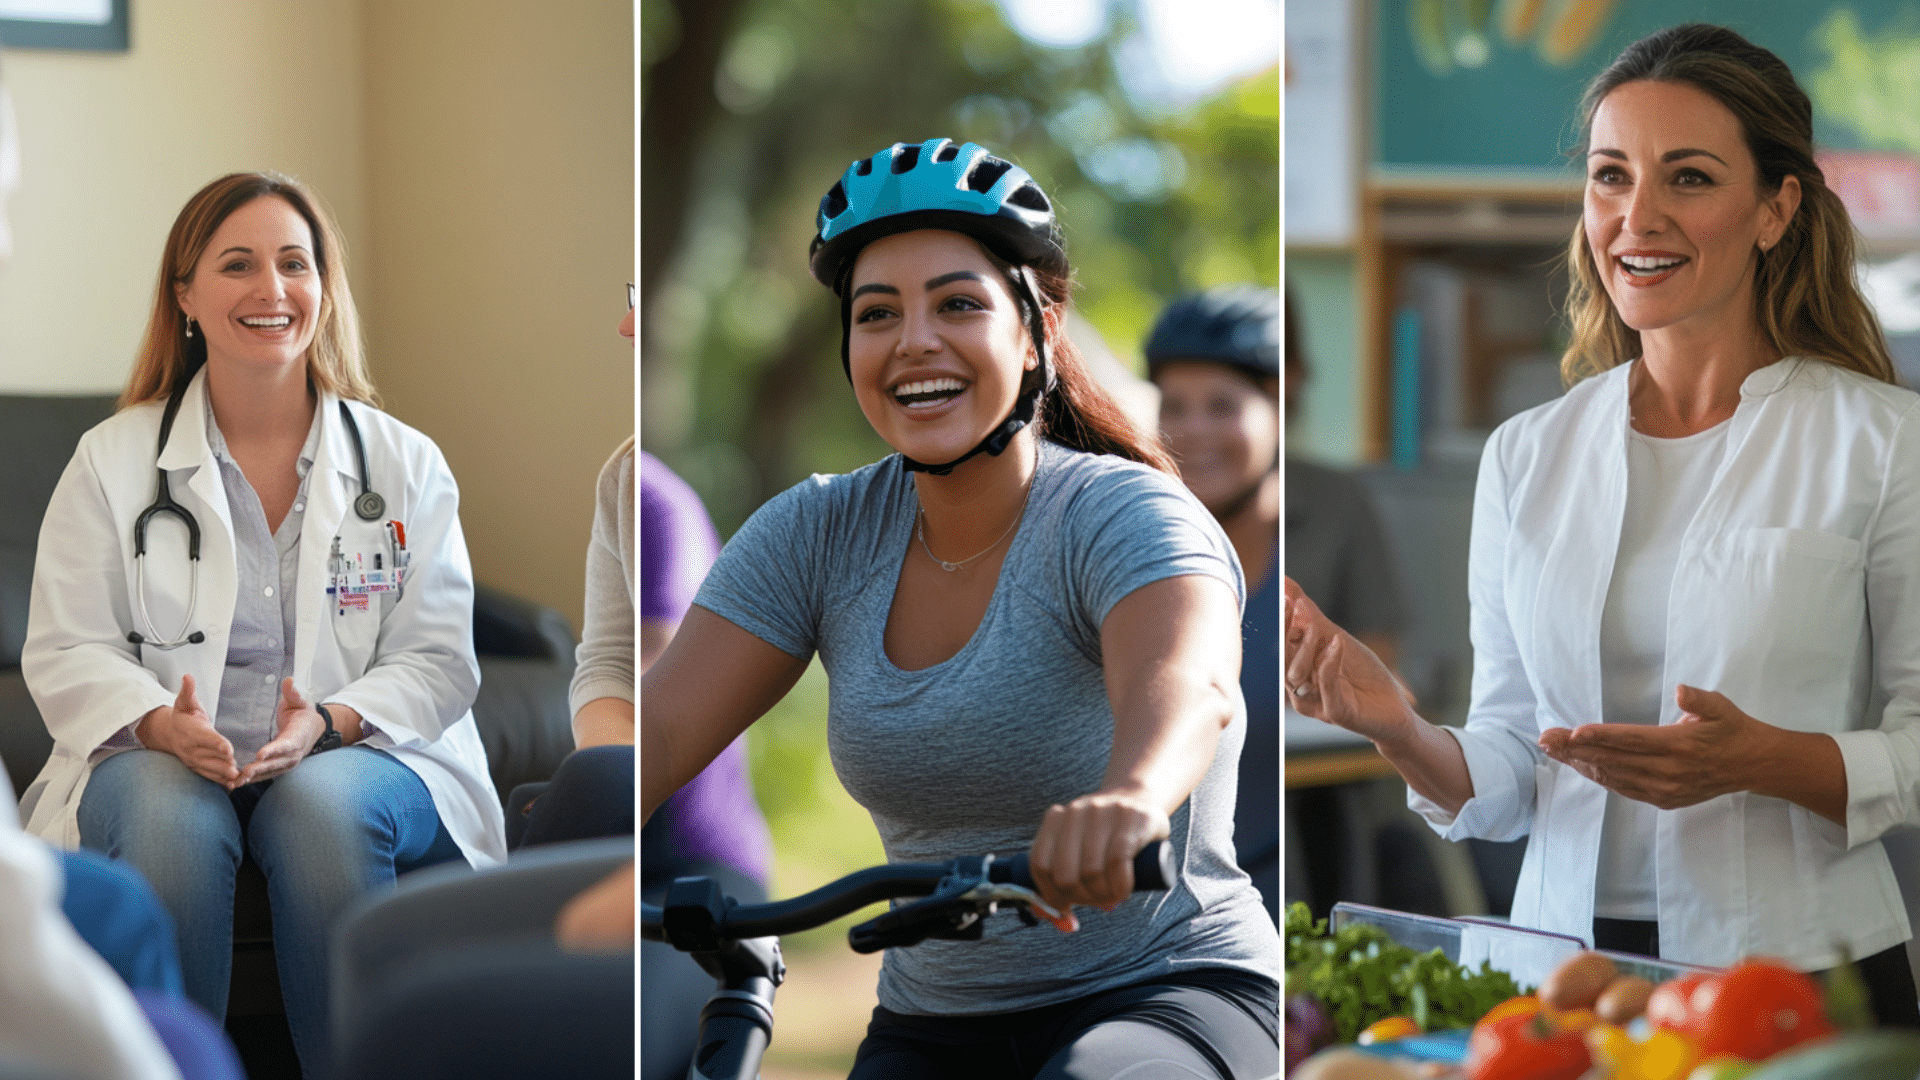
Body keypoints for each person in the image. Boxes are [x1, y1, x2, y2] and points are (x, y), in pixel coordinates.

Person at [1285, 24, 1920, 1026]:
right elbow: (1509, 761)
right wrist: (1396, 726)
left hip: (1803, 981)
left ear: (1776, 208)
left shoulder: (1886, 442)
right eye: (1610, 176)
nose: (1638, 216)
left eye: (1691, 178)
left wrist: (1765, 762)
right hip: (1566, 981)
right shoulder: (1527, 454)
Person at [643, 138, 1279, 1078]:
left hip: (1167, 989)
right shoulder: (815, 533)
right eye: (877, 314)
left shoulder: (1123, 511)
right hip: (931, 1025)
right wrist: (551, 838)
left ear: (1037, 330)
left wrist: (1132, 799)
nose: (914, 342)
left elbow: (1189, 686)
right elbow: (651, 736)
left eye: (959, 304)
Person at [18, 171, 505, 1077]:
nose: (271, 290)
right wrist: (161, 723)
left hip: (357, 754)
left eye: (294, 264)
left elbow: (438, 658)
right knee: (169, 820)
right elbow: (67, 645)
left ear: (323, 290)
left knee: (321, 810)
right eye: (237, 264)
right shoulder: (112, 458)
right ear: (186, 295)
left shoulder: (403, 461)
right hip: (160, 754)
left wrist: (327, 722)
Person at [1144, 284, 1283, 922]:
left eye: (1222, 405)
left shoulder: (1319, 532)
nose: (1192, 431)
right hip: (1151, 908)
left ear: (1278, 407)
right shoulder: (1134, 550)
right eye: (1174, 406)